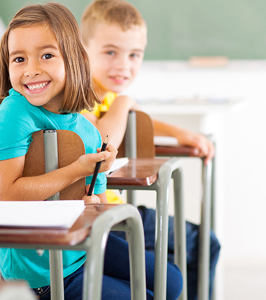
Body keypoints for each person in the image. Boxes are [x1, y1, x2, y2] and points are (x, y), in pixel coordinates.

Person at [0, 3, 183, 299]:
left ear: (76, 60)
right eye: (19, 59)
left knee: (172, 281)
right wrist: (76, 170)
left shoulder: (87, 130)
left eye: (47, 55)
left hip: (80, 250)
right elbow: (6, 195)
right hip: (39, 275)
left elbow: (98, 205)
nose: (31, 70)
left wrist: (96, 207)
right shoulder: (13, 114)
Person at [80, 1, 220, 299]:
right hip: (106, 217)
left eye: (134, 55)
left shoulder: (105, 95)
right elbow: (103, 142)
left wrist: (180, 133)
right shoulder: (80, 97)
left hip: (116, 211)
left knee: (198, 246)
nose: (124, 65)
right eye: (110, 52)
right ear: (82, 50)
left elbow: (138, 123)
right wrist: (124, 102)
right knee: (200, 245)